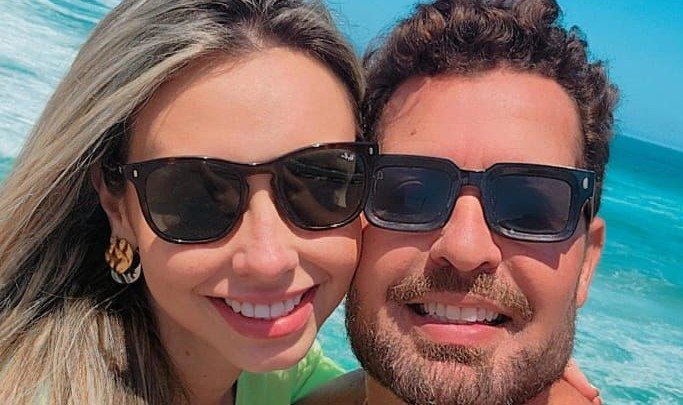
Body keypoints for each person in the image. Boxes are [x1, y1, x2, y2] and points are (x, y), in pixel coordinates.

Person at [0, 0, 377, 403]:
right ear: (116, 204)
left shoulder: (281, 378)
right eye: (196, 198)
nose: (269, 260)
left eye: (321, 182)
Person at [300, 0, 618, 404]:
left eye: (530, 211)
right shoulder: (260, 386)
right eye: (411, 196)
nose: (465, 250)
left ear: (586, 263)